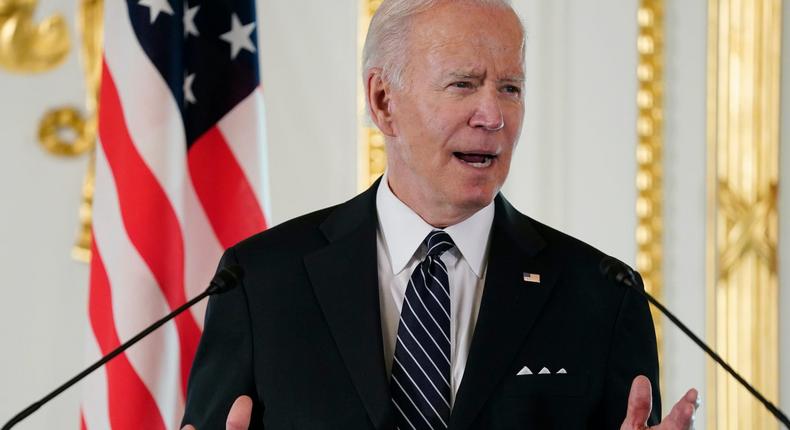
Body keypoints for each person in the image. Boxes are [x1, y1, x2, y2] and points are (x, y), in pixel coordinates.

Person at [182, 0, 699, 428]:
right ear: (384, 101)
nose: (493, 116)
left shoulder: (604, 296)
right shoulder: (260, 282)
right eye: (463, 85)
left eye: (510, 88)